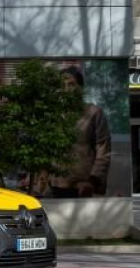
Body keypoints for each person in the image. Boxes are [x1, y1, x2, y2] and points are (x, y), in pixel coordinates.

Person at [48, 65, 112, 198]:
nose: (66, 89)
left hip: (83, 185)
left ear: (81, 88)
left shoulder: (94, 113)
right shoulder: (53, 116)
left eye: (71, 84)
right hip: (56, 185)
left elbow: (103, 151)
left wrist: (93, 181)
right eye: (62, 85)